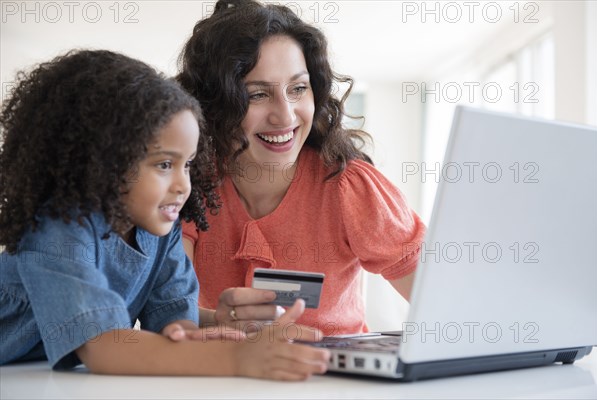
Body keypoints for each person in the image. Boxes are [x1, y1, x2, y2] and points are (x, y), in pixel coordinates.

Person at [0, 49, 330, 380]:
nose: (182, 185)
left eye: (187, 164)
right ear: (99, 162)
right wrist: (236, 357)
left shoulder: (161, 231)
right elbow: (103, 345)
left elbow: (174, 324)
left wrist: (210, 332)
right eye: (163, 164)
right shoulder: (58, 228)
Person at [178, 0, 427, 335]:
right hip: (229, 377)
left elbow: (446, 304)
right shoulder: (187, 183)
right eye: (257, 95)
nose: (285, 116)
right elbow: (169, 314)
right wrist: (218, 320)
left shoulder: (349, 186)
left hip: (337, 382)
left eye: (298, 88)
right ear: (215, 104)